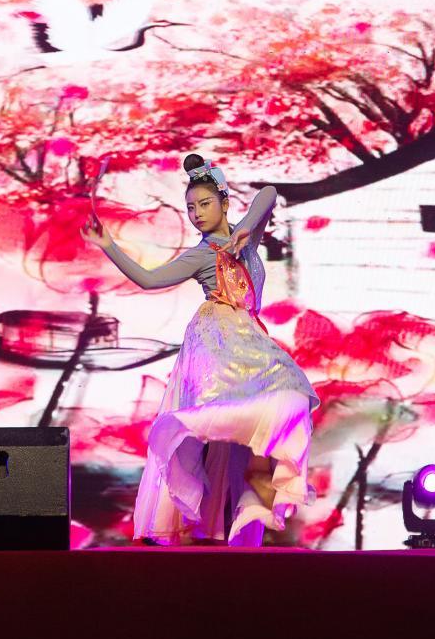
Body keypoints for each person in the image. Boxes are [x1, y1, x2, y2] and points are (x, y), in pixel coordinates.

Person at [80, 153, 319, 546]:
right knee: (219, 425)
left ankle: (244, 503)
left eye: (205, 204)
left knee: (289, 399)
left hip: (251, 338)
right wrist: (108, 245)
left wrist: (245, 228)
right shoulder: (201, 254)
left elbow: (269, 193)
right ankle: (206, 518)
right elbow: (149, 279)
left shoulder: (245, 240)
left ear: (224, 202)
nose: (197, 214)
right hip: (216, 338)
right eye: (191, 208)